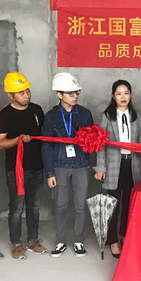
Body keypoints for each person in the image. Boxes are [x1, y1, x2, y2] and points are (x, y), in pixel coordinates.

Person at [0, 72, 46, 260]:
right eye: (21, 92)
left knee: (34, 206)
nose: (26, 95)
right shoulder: (4, 115)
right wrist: (18, 140)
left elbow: (43, 135)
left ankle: (33, 240)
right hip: (16, 170)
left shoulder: (37, 110)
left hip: (37, 167)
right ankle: (16, 243)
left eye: (27, 91)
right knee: (17, 207)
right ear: (11, 95)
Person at [42, 72, 94, 258]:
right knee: (60, 206)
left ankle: (78, 240)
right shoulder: (51, 117)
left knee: (80, 205)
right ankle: (60, 241)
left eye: (76, 93)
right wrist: (49, 173)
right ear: (59, 94)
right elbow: (46, 146)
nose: (74, 96)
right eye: (70, 93)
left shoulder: (85, 114)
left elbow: (92, 141)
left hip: (81, 165)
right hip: (59, 166)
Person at [93, 80, 141, 258]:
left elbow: (140, 142)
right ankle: (113, 241)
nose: (123, 97)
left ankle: (125, 236)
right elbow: (101, 144)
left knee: (129, 204)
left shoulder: (137, 116)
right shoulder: (106, 116)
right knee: (113, 206)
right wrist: (100, 168)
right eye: (119, 93)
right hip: (113, 165)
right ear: (113, 96)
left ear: (130, 95)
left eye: (126, 93)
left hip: (133, 165)